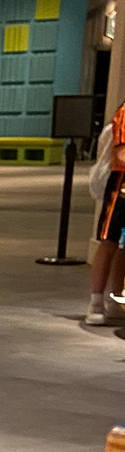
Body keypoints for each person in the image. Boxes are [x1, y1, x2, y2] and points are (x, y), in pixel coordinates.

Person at [85, 101, 125, 326]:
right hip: (120, 188)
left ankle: (116, 298)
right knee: (109, 241)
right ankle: (96, 302)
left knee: (124, 245)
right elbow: (121, 154)